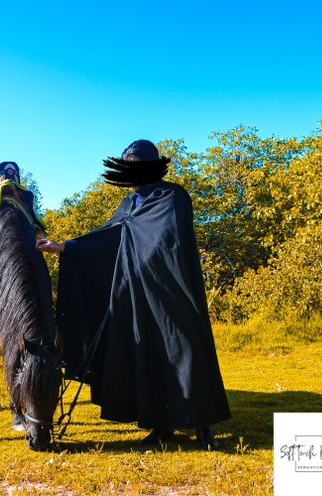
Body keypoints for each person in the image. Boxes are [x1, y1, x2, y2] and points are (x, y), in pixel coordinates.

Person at [36, 139, 231, 450]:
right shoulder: (128, 205)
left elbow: (168, 239)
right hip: (138, 297)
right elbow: (106, 237)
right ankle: (160, 427)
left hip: (173, 292)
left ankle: (203, 426)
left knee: (187, 352)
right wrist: (64, 247)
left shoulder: (172, 196)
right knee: (149, 358)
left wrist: (137, 247)